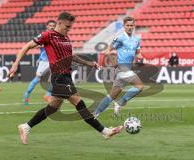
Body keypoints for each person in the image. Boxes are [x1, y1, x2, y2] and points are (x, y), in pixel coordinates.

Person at [9, 12, 123, 145]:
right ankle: (105, 132)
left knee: (53, 107)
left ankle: (26, 127)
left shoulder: (66, 38)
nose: (69, 29)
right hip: (59, 77)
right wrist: (15, 63)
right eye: (67, 26)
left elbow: (72, 56)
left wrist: (89, 63)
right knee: (79, 103)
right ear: (59, 23)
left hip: (66, 76)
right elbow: (27, 46)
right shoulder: (48, 35)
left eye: (70, 27)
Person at [93, 16, 144, 118]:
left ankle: (96, 113)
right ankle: (120, 103)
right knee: (140, 86)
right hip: (123, 69)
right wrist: (113, 62)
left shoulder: (136, 40)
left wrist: (140, 58)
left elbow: (138, 53)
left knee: (112, 95)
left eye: (131, 25)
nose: (129, 27)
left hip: (126, 70)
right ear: (124, 26)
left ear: (134, 26)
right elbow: (107, 51)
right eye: (127, 25)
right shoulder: (120, 38)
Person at [23, 20, 56, 105]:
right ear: (47, 26)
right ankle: (27, 94)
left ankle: (48, 95)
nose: (52, 27)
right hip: (44, 62)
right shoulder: (43, 35)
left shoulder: (56, 37)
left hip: (53, 62)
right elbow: (35, 44)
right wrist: (40, 45)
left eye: (53, 25)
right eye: (50, 25)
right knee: (37, 79)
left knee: (55, 79)